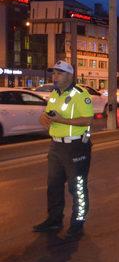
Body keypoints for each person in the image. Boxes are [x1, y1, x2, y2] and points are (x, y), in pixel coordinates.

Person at [33, 61, 94, 239]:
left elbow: (88, 120)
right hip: (56, 146)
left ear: (69, 76)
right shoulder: (54, 94)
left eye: (59, 73)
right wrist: (44, 118)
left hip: (75, 146)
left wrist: (61, 120)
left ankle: (77, 224)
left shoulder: (80, 95)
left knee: (78, 188)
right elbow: (50, 114)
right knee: (54, 185)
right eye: (54, 73)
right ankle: (54, 219)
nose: (55, 76)